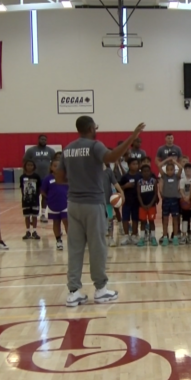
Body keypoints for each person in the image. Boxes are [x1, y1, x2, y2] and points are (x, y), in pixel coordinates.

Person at [56, 116, 145, 306]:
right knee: (97, 247)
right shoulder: (94, 146)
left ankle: (73, 292)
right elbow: (112, 157)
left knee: (75, 248)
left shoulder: (68, 149)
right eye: (95, 127)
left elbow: (59, 178)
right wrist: (132, 137)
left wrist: (77, 182)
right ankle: (100, 290)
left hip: (73, 203)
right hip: (92, 203)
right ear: (90, 128)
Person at [23, 135, 57, 223]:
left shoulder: (51, 151)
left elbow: (55, 162)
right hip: (34, 177)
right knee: (33, 196)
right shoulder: (31, 150)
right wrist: (26, 174)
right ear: (38, 140)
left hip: (46, 177)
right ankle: (32, 215)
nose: (43, 140)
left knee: (45, 196)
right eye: (42, 139)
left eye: (45, 139)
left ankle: (43, 214)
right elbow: (25, 161)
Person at [42, 158, 70, 251]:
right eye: (55, 165)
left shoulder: (66, 177)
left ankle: (71, 241)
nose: (57, 167)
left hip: (65, 203)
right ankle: (58, 240)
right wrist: (49, 198)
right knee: (56, 222)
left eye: (59, 165)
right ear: (51, 167)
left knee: (67, 221)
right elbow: (43, 191)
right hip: (53, 204)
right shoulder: (48, 178)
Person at [118, 158, 142, 246]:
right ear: (129, 165)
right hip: (127, 201)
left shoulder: (140, 176)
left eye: (136, 164)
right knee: (125, 218)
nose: (135, 166)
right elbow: (119, 188)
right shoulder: (125, 177)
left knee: (135, 219)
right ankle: (126, 236)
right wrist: (125, 186)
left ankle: (134, 235)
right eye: (133, 164)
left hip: (136, 201)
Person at [159, 161, 182, 246]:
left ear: (174, 170)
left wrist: (174, 161)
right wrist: (167, 160)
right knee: (165, 220)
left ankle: (175, 237)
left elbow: (181, 168)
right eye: (167, 170)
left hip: (175, 200)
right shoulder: (164, 176)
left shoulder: (177, 176)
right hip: (166, 200)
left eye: (171, 169)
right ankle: (165, 237)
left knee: (175, 220)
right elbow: (159, 166)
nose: (169, 171)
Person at [137, 165, 159, 247]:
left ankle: (153, 237)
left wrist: (150, 204)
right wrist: (142, 204)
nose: (146, 173)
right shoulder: (139, 182)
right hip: (142, 206)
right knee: (142, 222)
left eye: (147, 171)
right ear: (141, 172)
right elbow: (138, 194)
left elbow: (155, 194)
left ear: (150, 172)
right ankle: (142, 238)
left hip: (151, 205)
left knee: (151, 221)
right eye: (144, 171)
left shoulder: (153, 181)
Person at [20, 160, 42, 240]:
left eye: (31, 165)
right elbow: (22, 188)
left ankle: (35, 231)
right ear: (25, 166)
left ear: (34, 166)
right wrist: (24, 197)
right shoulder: (22, 177)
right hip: (26, 200)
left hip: (35, 199)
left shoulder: (36, 176)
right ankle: (28, 231)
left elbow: (39, 187)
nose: (29, 167)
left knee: (34, 216)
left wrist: (36, 196)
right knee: (27, 216)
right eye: (28, 165)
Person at [179, 163, 191, 244]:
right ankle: (184, 235)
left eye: (190, 169)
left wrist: (189, 197)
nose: (188, 171)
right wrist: (184, 197)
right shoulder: (182, 180)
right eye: (186, 170)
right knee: (185, 219)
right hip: (185, 201)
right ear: (184, 171)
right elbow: (181, 190)